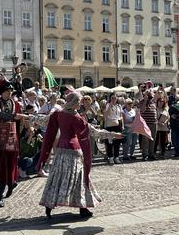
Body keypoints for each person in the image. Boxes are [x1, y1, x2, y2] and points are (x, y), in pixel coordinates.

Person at [36, 91, 122, 219]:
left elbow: (43, 120)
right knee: (79, 180)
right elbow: (94, 132)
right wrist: (113, 135)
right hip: (74, 152)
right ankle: (83, 208)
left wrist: (26, 117)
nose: (80, 103)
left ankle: (49, 205)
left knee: (57, 178)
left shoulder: (58, 114)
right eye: (79, 101)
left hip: (60, 152)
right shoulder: (76, 118)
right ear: (75, 103)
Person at [0, 82, 26, 207]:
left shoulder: (15, 104)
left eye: (11, 91)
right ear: (1, 92)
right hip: (0, 139)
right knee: (2, 165)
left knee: (12, 162)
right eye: (7, 91)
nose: (9, 93)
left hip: (12, 137)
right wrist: (14, 116)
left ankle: (11, 183)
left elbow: (20, 119)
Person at [103, 93, 123, 164]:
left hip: (117, 126)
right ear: (110, 98)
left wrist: (122, 126)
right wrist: (110, 106)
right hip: (110, 126)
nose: (114, 99)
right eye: (112, 98)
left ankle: (116, 157)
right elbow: (105, 115)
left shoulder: (119, 106)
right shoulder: (108, 105)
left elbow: (120, 116)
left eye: (115, 98)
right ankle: (110, 157)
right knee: (110, 142)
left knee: (117, 142)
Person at [137, 86, 157, 161]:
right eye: (147, 93)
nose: (149, 95)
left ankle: (151, 154)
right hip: (145, 123)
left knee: (152, 139)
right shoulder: (142, 101)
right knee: (145, 140)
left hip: (154, 123)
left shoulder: (153, 101)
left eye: (150, 93)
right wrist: (145, 101)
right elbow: (142, 110)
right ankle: (144, 155)